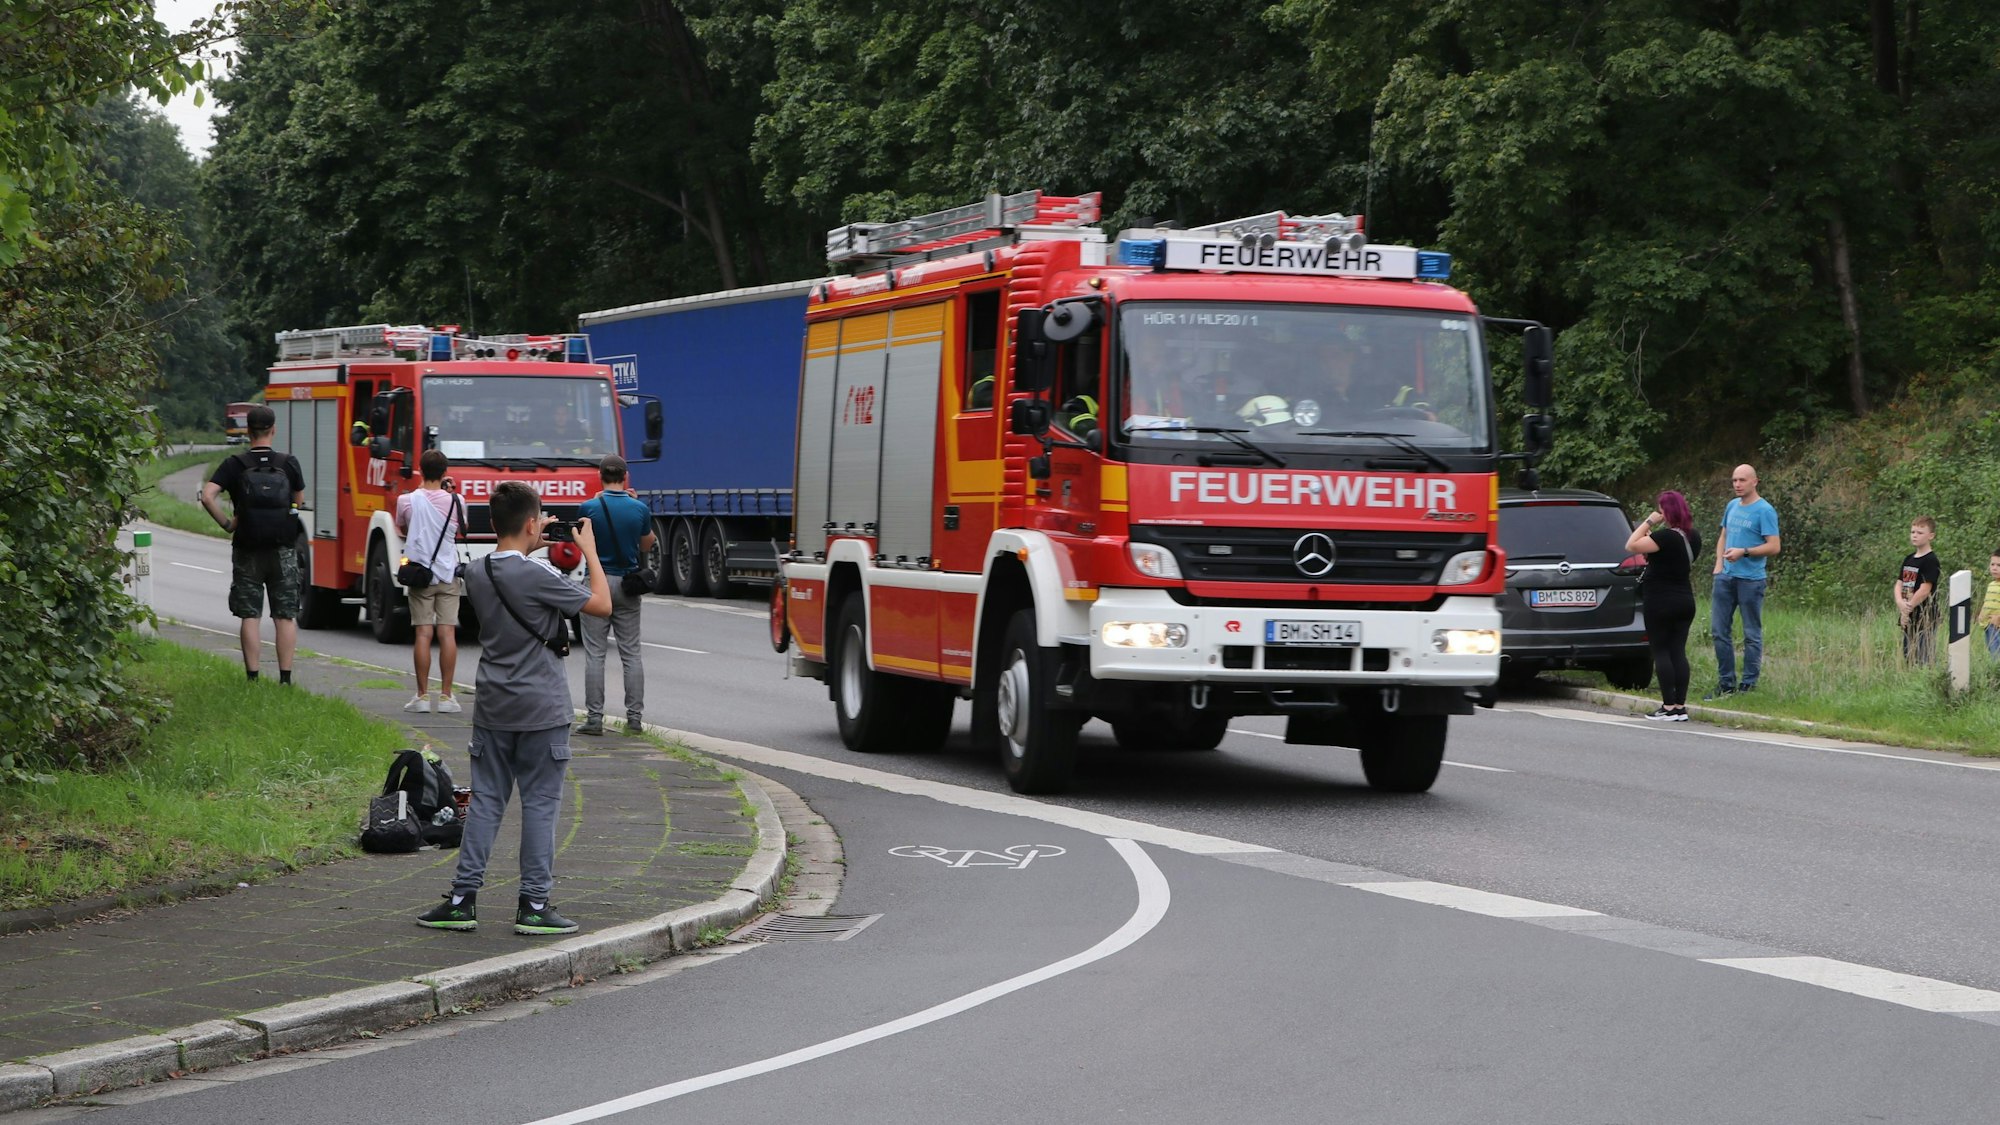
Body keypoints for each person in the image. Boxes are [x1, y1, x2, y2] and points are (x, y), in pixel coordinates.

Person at [418, 481, 612, 935]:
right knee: (541, 805)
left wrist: (528, 542)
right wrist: (590, 551)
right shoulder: (539, 575)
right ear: (531, 522)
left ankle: (462, 900)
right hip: (542, 708)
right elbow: (600, 604)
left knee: (486, 803)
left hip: (493, 705)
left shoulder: (479, 571)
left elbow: (510, 565)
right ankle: (535, 905)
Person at [199, 405, 305, 684]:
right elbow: (299, 501)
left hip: (247, 547)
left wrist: (228, 523)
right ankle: (285, 679)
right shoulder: (288, 463)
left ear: (248, 431)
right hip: (282, 549)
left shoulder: (235, 464)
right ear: (273, 429)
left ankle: (253, 677)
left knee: (250, 614)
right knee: (285, 615)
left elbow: (208, 496)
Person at [577, 455, 656, 736]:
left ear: (600, 477)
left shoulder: (588, 507)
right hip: (627, 585)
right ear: (625, 477)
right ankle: (634, 719)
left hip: (596, 583)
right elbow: (647, 542)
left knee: (595, 654)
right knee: (631, 652)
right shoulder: (638, 508)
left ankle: (595, 719)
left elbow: (581, 541)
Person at [396, 450, 465, 712]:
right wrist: (450, 493)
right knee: (447, 633)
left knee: (423, 633)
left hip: (420, 574)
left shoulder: (406, 500)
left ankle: (422, 696)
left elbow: (402, 528)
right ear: (445, 472)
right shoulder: (458, 500)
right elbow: (460, 529)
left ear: (420, 470)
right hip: (448, 573)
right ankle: (447, 697)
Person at [1706, 464, 1781, 700]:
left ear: (1754, 481)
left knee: (1751, 634)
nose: (1737, 484)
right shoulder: (1731, 506)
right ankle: (1726, 683)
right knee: (1719, 631)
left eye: (1742, 480)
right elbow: (1724, 536)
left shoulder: (1764, 510)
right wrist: (1719, 564)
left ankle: (1748, 684)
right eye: (1734, 480)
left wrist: (1745, 552)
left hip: (1751, 580)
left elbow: (1774, 546)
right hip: (1726, 577)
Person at [1625, 491, 1701, 721]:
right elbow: (1672, 559)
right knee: (1678, 651)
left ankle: (1668, 706)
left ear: (1666, 511)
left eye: (1661, 510)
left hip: (1660, 600)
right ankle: (1680, 706)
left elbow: (1631, 545)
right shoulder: (1693, 537)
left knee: (1661, 651)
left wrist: (1649, 521)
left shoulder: (1664, 537)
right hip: (1685, 600)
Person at [1894, 516, 1942, 666]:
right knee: (1909, 654)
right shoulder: (1908, 559)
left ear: (1931, 536)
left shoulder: (1930, 560)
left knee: (1924, 656)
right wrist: (1900, 604)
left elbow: (1925, 589)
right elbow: (1899, 583)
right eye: (1913, 531)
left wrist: (1908, 607)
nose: (1915, 535)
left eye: (1920, 532)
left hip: (1925, 615)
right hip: (1907, 614)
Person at [1980, 548, 2000, 660]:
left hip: (1997, 625)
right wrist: (1982, 614)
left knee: (1997, 655)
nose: (1995, 568)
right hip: (1988, 625)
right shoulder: (1991, 584)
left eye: (1999, 565)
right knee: (1991, 651)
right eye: (1992, 564)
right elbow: (1987, 601)